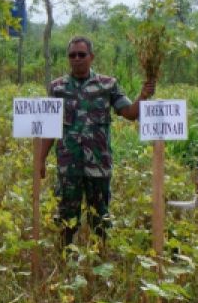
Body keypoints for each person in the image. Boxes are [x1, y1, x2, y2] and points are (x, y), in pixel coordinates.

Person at [41, 36, 152, 249]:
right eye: (72, 55)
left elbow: (129, 113)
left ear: (91, 57)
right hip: (69, 164)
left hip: (98, 165)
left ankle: (100, 259)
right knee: (66, 215)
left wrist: (143, 96)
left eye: (81, 55)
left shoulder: (107, 85)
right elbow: (50, 127)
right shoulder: (57, 88)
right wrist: (40, 160)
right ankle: (65, 258)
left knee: (100, 217)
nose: (77, 59)